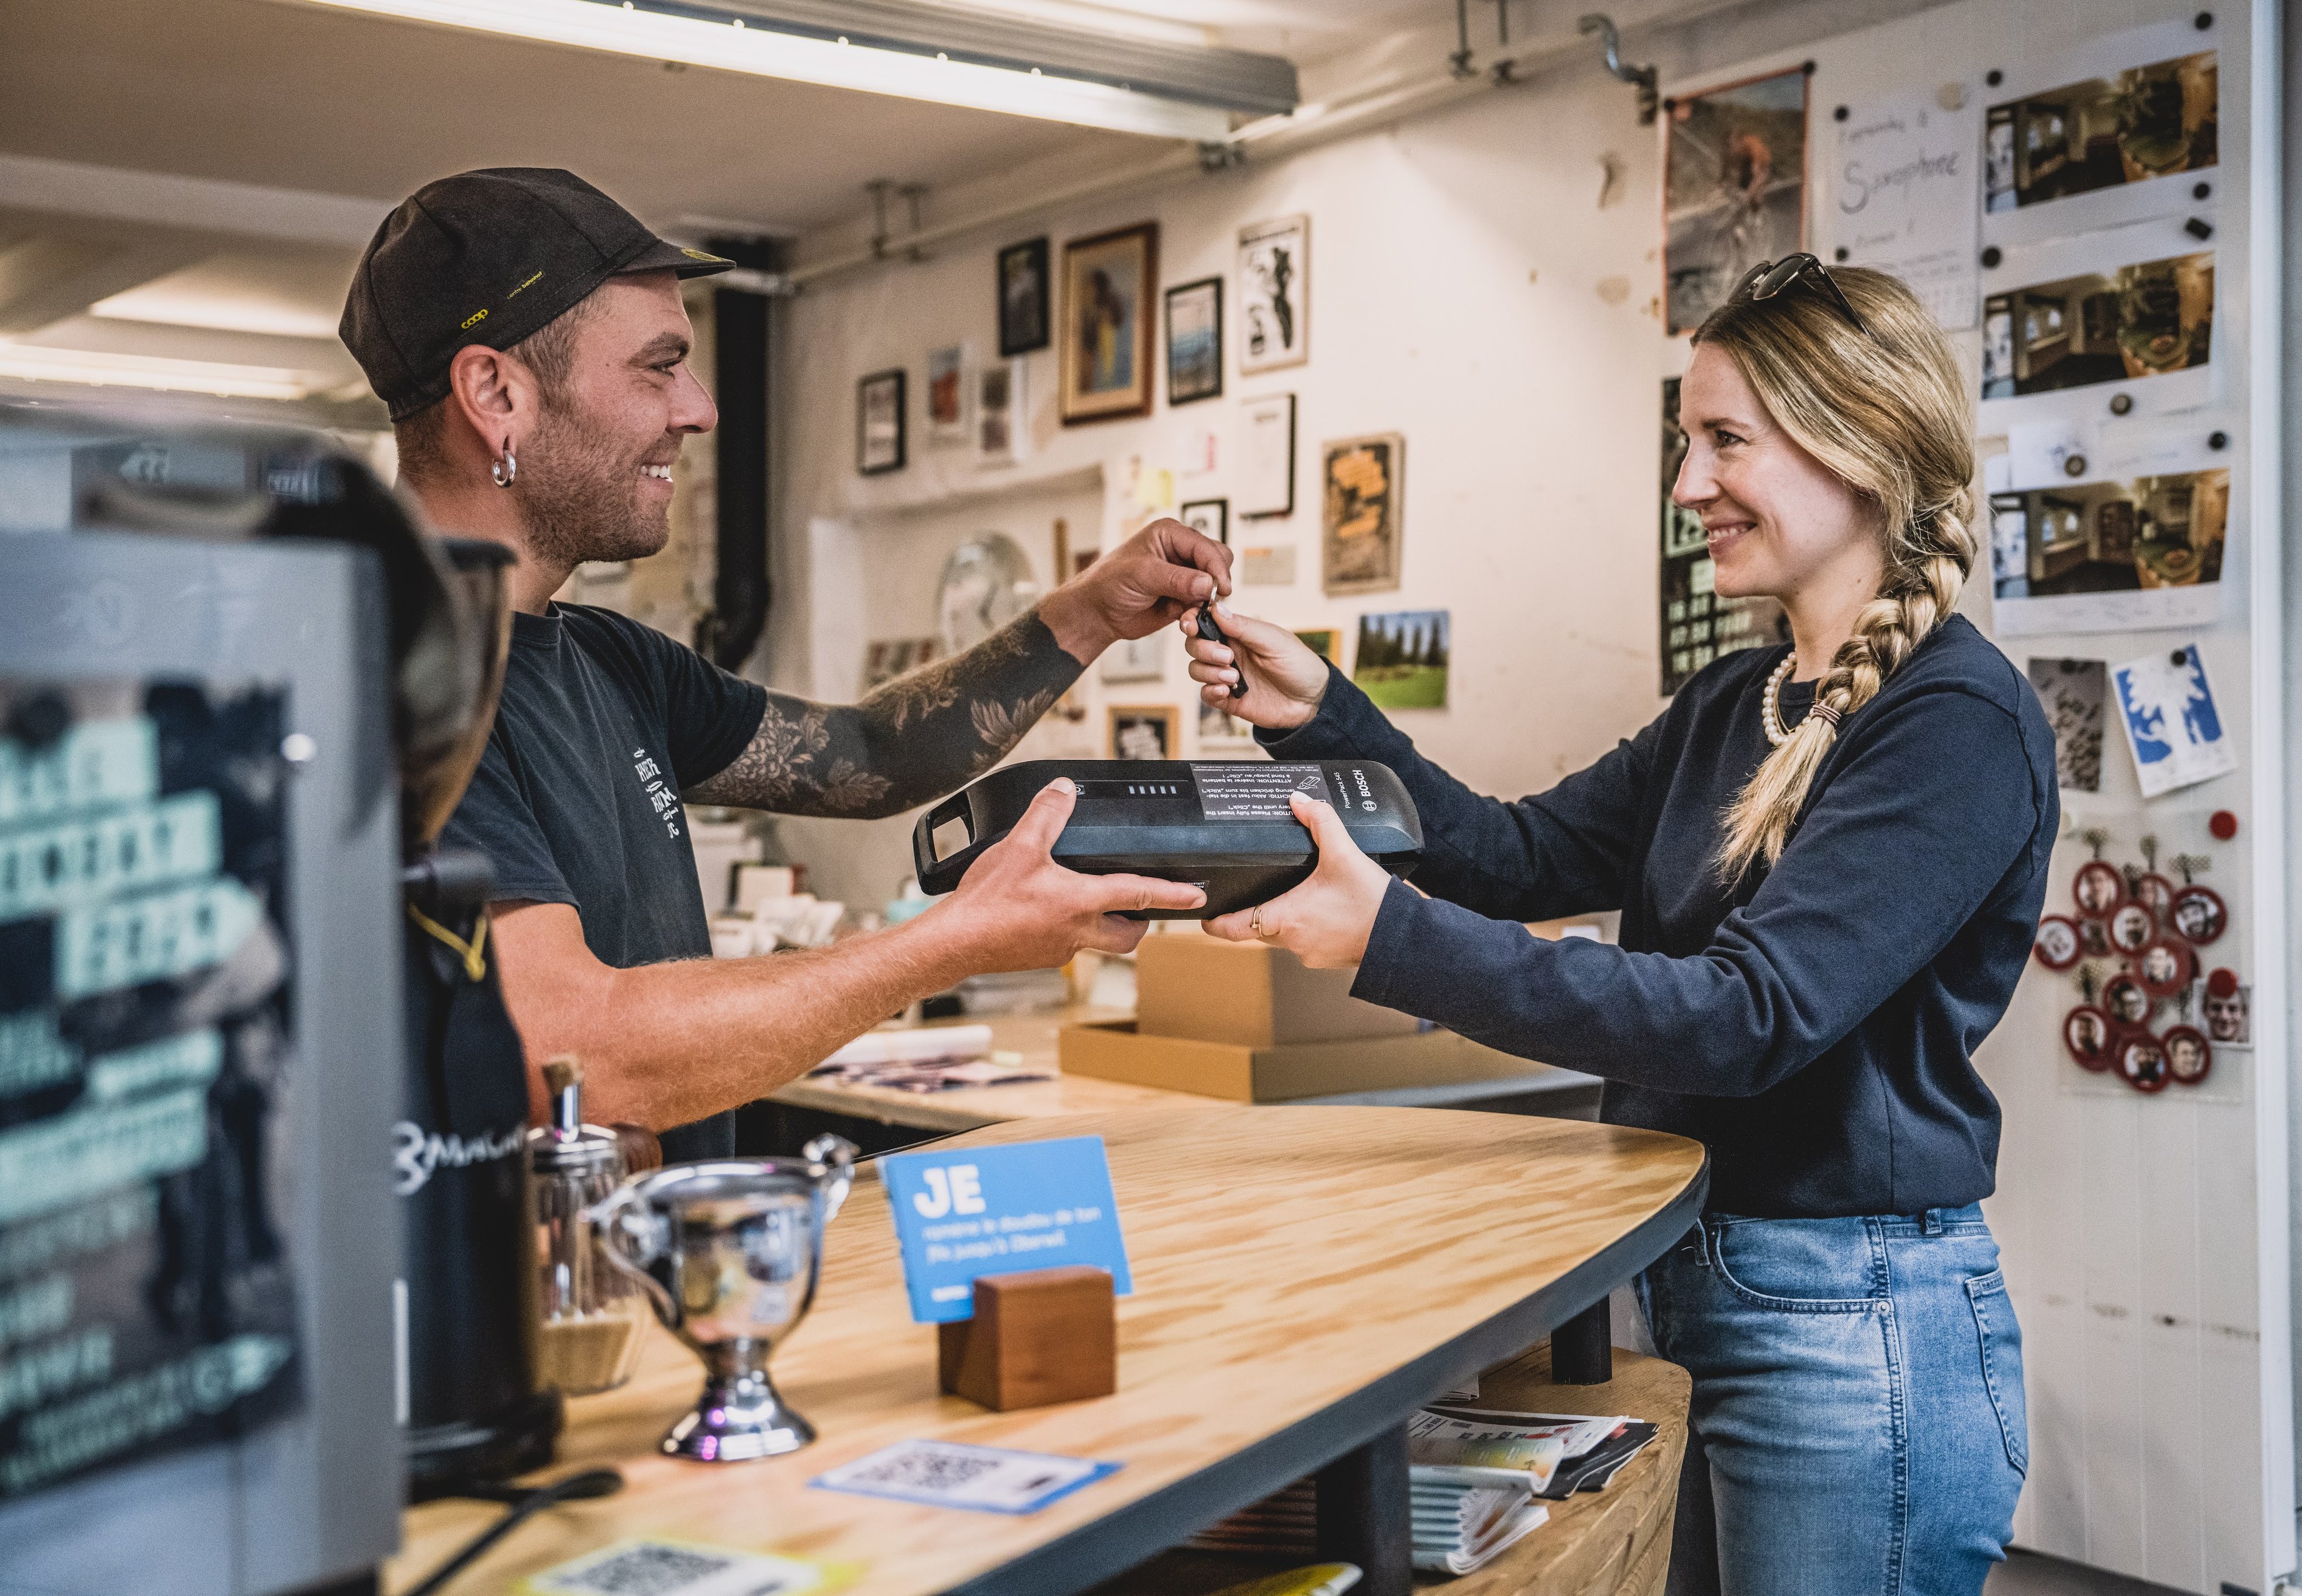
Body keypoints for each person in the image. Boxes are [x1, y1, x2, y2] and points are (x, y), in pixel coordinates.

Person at [1180, 259, 2057, 1595]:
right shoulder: (1732, 700)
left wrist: (1385, 938)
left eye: (1723, 441)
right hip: (1684, 1272)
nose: (1685, 485)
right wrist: (1320, 716)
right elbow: (1509, 853)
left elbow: (1744, 1018)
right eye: (1682, 442)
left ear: (1862, 448)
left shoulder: (1954, 721)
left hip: (1850, 1322)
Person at [341, 168, 1227, 1158]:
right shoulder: (388, 679)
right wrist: (948, 944)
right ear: (496, 392)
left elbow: (874, 754)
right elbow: (576, 1057)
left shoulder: (610, 660)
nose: (701, 408)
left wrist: (1088, 612)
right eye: (659, 366)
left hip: (660, 1272)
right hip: (528, 1307)